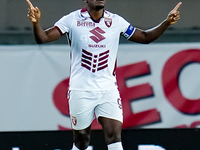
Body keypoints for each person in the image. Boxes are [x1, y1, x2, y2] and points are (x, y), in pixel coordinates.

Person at [26, 0, 182, 149]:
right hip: (81, 90)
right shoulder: (72, 19)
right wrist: (36, 23)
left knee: (114, 136)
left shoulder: (116, 21)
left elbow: (145, 37)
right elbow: (43, 38)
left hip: (108, 90)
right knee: (82, 141)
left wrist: (167, 22)